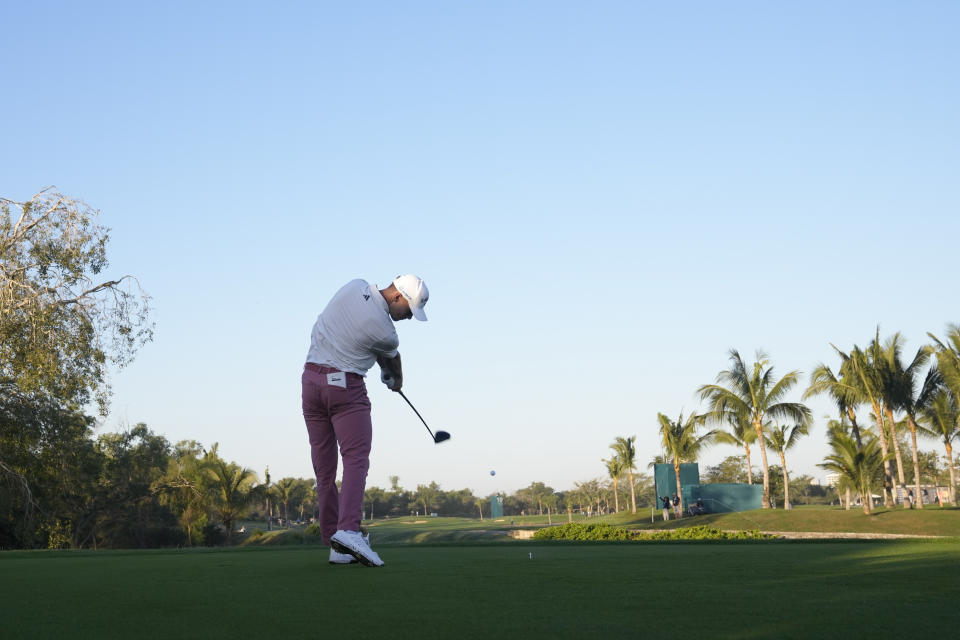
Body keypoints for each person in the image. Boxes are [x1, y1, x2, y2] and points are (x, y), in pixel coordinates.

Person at [302, 275, 429, 567]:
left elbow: (353, 328)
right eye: (408, 311)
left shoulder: (353, 285)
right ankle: (348, 530)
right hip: (344, 389)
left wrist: (382, 366)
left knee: (324, 469)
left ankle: (335, 544)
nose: (408, 318)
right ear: (397, 296)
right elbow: (392, 360)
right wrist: (395, 381)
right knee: (356, 460)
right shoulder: (387, 332)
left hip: (310, 384)